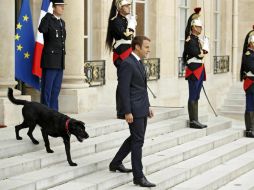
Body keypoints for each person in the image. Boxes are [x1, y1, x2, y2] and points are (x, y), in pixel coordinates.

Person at [109, 36, 156, 187]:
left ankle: (115, 163)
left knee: (136, 138)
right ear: (137, 47)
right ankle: (138, 176)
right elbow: (123, 90)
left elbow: (142, 88)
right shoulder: (127, 64)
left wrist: (148, 106)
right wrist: (127, 112)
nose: (148, 50)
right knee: (138, 141)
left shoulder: (139, 62)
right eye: (146, 47)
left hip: (142, 107)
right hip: (133, 110)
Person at [105, 0, 137, 118]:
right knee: (123, 83)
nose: (129, 7)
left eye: (129, 5)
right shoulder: (115, 21)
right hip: (121, 55)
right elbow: (126, 35)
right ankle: (121, 110)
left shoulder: (125, 20)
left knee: (128, 82)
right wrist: (132, 25)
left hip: (128, 53)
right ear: (119, 7)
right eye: (126, 5)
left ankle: (127, 108)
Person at [39, 0, 66, 111]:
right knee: (47, 90)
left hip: (59, 61)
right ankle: (45, 114)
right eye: (60, 6)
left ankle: (54, 114)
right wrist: (48, 15)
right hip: (50, 61)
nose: (62, 8)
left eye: (63, 6)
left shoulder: (61, 22)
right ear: (53, 8)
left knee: (56, 90)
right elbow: (42, 29)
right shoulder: (48, 19)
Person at [183, 7, 208, 129]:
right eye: (198, 27)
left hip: (199, 69)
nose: (200, 29)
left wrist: (204, 47)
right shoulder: (190, 39)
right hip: (194, 70)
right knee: (193, 95)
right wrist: (201, 53)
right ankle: (193, 121)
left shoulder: (198, 40)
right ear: (193, 27)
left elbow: (201, 52)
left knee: (197, 95)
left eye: (201, 27)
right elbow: (193, 52)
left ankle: (196, 119)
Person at [240, 26, 254, 138]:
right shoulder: (248, 55)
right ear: (251, 43)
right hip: (251, 83)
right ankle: (249, 129)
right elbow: (252, 68)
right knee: (250, 105)